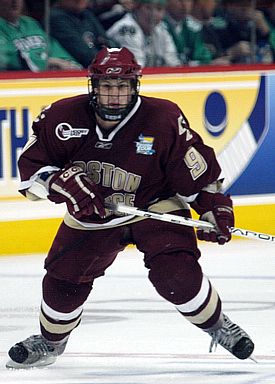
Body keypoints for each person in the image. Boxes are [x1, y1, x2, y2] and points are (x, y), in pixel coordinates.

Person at [6, 47, 254, 369]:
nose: (114, 95)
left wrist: (214, 208)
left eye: (122, 87)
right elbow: (30, 177)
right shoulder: (61, 118)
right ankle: (51, 342)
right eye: (107, 87)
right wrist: (57, 182)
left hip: (156, 204)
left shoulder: (163, 118)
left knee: (177, 276)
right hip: (94, 212)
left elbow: (197, 173)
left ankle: (219, 326)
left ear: (135, 85)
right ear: (93, 86)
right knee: (62, 281)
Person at [0, 0, 82, 72]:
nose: (15, 1)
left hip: (52, 78)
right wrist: (46, 62)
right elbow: (9, 60)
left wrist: (69, 65)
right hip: (20, 83)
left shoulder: (30, 23)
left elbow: (54, 48)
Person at [106, 0, 181, 67]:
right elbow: (137, 70)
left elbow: (173, 64)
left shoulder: (160, 30)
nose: (153, 14)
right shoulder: (127, 28)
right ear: (136, 8)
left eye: (159, 9)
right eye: (148, 8)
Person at [49, 0, 117, 68]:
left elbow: (107, 42)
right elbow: (84, 55)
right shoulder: (56, 17)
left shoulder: (86, 13)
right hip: (75, 72)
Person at [163, 0, 212, 65]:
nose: (184, 4)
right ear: (167, 2)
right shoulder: (159, 25)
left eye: (188, 0)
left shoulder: (193, 28)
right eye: (180, 0)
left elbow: (203, 58)